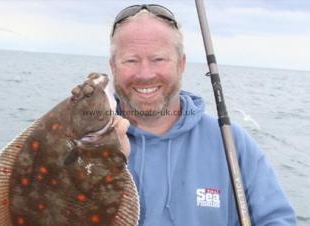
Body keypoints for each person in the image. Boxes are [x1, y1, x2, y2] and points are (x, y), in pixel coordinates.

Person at [109, 4, 296, 226]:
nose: (145, 73)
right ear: (113, 67)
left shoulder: (231, 142)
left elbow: (277, 220)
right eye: (131, 60)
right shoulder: (82, 146)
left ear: (182, 64)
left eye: (159, 59)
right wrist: (104, 164)